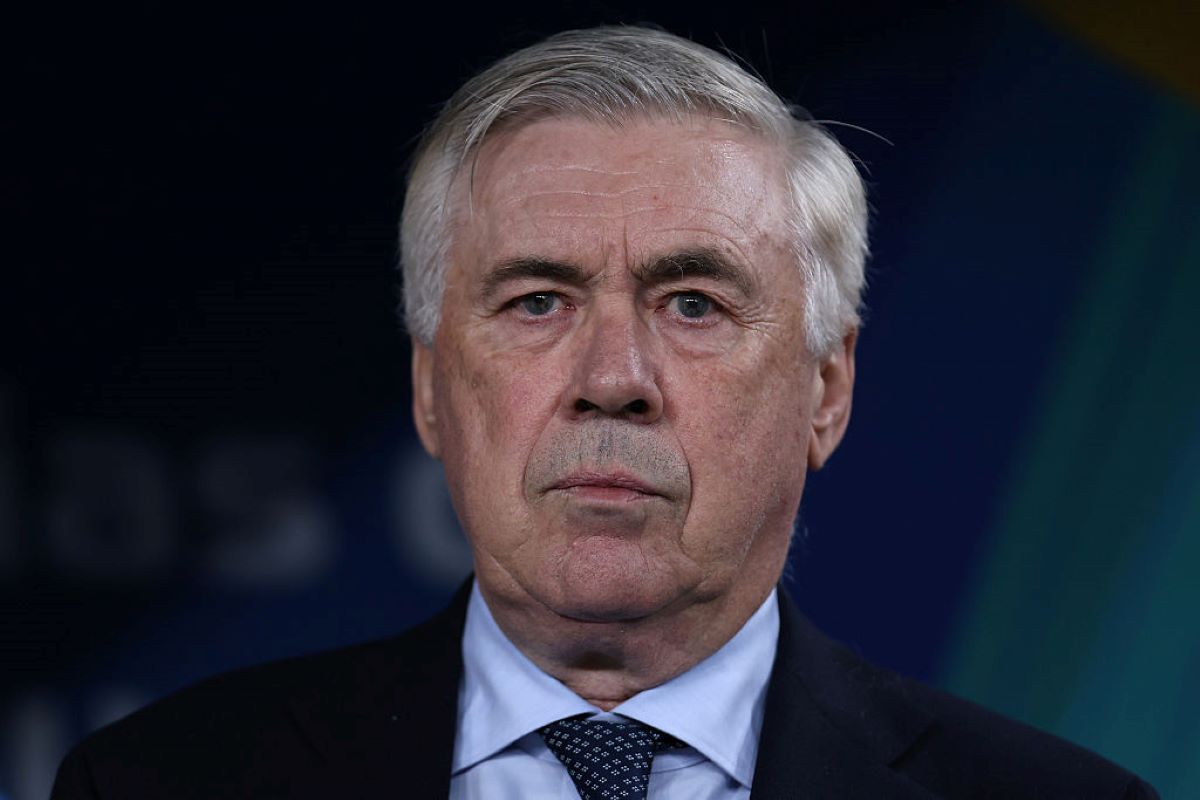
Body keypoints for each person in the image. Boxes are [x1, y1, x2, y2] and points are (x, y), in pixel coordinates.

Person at [52, 25, 1156, 799]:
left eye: (694, 302)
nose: (615, 375)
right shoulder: (156, 783)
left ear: (827, 387)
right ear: (431, 388)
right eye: (538, 300)